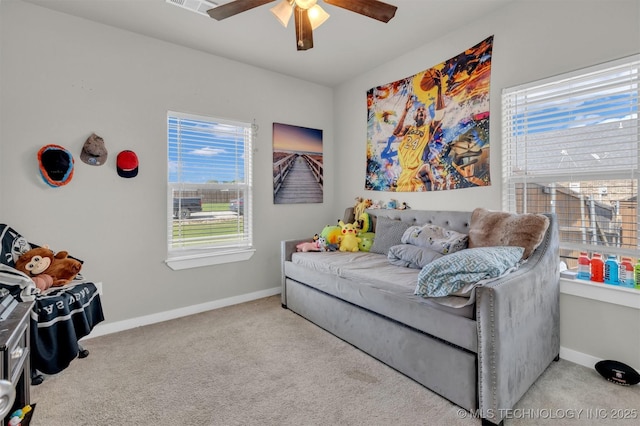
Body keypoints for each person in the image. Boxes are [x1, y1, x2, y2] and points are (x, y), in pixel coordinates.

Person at [392, 69, 445, 191]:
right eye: (419, 110)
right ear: (414, 115)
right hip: (406, 169)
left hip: (419, 164)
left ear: (426, 116)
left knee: (426, 172)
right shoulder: (408, 128)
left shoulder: (429, 128)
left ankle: (432, 192)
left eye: (423, 110)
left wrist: (439, 88)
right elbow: (396, 133)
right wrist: (405, 111)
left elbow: (439, 115)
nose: (421, 111)